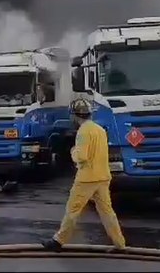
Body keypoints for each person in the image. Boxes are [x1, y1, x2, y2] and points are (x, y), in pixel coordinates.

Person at [42, 98, 126, 252]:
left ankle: (58, 241)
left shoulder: (83, 132)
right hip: (103, 176)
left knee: (72, 210)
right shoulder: (99, 130)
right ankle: (119, 243)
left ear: (75, 115)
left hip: (87, 178)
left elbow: (82, 157)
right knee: (107, 212)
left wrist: (73, 151)